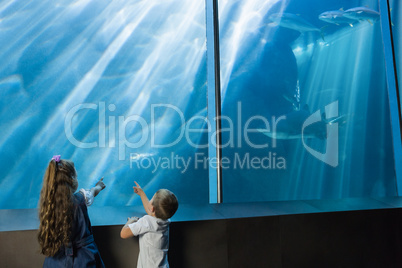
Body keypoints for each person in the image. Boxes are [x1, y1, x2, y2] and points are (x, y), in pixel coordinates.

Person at [38, 155, 106, 267]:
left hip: (56, 259)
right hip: (83, 258)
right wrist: (99, 185)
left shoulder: (48, 206)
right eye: (75, 176)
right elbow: (93, 191)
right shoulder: (81, 198)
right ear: (71, 180)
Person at [120, 181, 179, 268]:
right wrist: (142, 194)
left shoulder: (147, 221)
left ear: (152, 208)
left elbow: (123, 234)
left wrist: (130, 222)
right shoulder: (165, 221)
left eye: (152, 198)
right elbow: (151, 211)